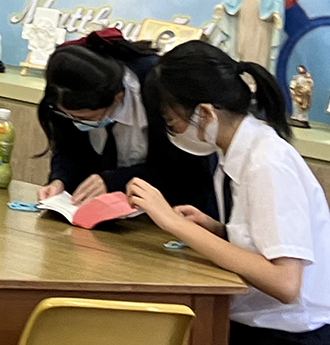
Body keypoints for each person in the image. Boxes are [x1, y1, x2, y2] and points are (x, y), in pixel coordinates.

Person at [125, 42, 330, 345]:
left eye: (172, 120)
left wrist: (174, 225)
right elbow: (265, 244)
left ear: (204, 112)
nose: (172, 130)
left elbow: (284, 282)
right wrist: (219, 228)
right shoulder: (239, 154)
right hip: (257, 340)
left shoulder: (267, 163)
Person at [39, 30, 216, 215]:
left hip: (173, 212)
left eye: (88, 119)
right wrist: (60, 180)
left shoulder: (160, 89)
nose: (78, 123)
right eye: (71, 117)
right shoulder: (65, 91)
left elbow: (185, 171)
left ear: (118, 98)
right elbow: (69, 149)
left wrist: (113, 181)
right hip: (104, 214)